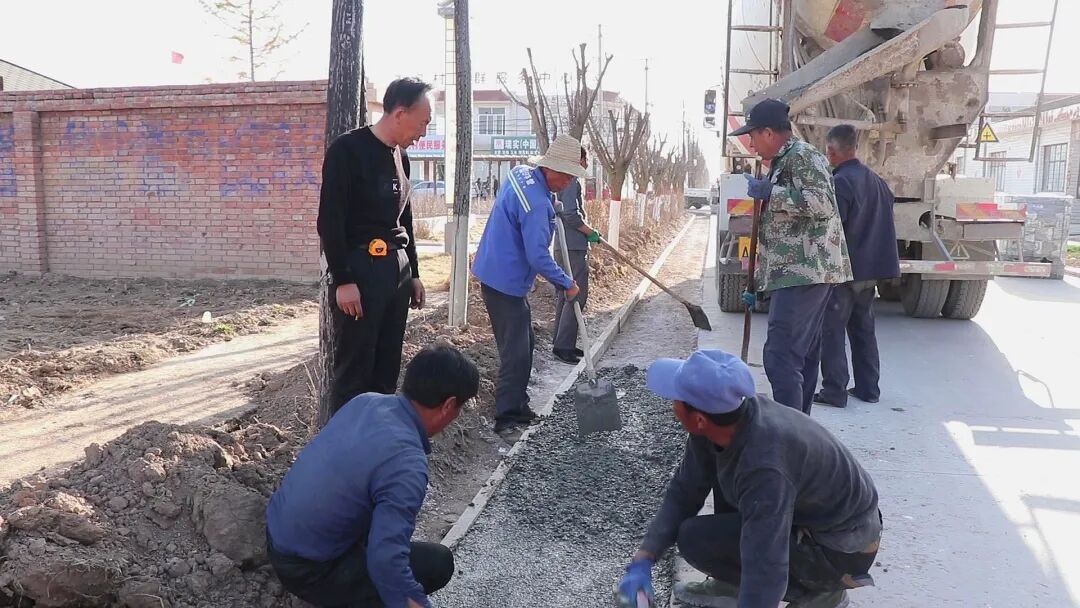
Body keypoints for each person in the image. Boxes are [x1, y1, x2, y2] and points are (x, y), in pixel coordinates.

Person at [616, 349, 882, 608]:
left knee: (746, 548)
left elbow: (766, 564)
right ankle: (733, 585)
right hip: (805, 516)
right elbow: (685, 492)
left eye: (676, 398)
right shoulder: (721, 422)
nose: (672, 403)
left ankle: (824, 593)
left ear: (698, 419)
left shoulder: (764, 465)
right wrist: (644, 558)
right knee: (694, 536)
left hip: (842, 550)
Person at [266, 344, 480, 608]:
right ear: (448, 405)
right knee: (437, 563)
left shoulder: (366, 402)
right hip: (309, 570)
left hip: (277, 535)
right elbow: (386, 562)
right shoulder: (407, 463)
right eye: (460, 408)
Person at [316, 77, 432, 417]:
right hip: (361, 271)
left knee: (386, 368)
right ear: (400, 113)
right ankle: (345, 444)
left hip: (396, 271)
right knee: (355, 370)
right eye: (422, 122)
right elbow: (330, 221)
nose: (423, 132)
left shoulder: (401, 157)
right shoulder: (348, 151)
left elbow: (404, 219)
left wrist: (413, 273)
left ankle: (377, 439)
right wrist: (344, 280)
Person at [734, 98, 852, 414]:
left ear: (768, 133)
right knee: (803, 358)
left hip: (805, 273)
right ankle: (801, 429)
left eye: (752, 136)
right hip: (799, 272)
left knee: (780, 356)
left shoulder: (802, 157)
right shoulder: (784, 161)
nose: (751, 144)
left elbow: (823, 204)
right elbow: (782, 232)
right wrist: (758, 284)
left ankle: (788, 433)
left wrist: (771, 193)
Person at [472, 134, 584, 440]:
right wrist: (567, 283)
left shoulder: (522, 174)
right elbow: (538, 256)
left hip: (494, 269)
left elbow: (528, 200)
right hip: (504, 281)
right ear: (552, 169)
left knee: (526, 343)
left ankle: (519, 406)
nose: (570, 182)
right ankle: (506, 418)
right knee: (516, 352)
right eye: (568, 176)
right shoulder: (536, 206)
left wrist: (552, 203)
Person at [814, 125, 900, 408]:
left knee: (832, 330)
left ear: (831, 151)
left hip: (845, 271)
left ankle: (834, 390)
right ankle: (868, 388)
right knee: (863, 329)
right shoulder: (876, 181)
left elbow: (832, 228)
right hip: (870, 271)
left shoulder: (840, 182)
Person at [552, 145, 601, 365]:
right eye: (585, 158)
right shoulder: (570, 179)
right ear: (577, 159)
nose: (587, 163)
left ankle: (562, 343)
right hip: (572, 246)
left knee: (565, 295)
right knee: (576, 294)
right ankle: (563, 346)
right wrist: (589, 232)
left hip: (563, 245)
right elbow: (571, 213)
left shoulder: (561, 178)